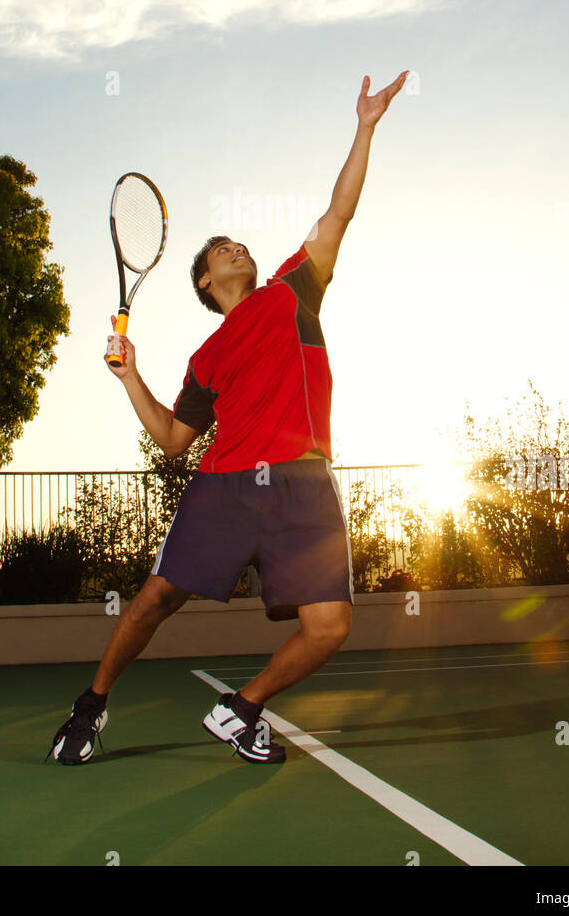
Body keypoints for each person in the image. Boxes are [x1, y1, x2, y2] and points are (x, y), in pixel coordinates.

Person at [46, 72, 408, 766]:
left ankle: (241, 708)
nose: (236, 248)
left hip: (304, 481)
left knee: (330, 629)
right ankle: (90, 708)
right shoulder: (205, 357)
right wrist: (131, 376)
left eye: (237, 243)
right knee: (154, 600)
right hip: (224, 485)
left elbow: (338, 214)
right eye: (221, 251)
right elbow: (173, 440)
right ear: (207, 285)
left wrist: (364, 127)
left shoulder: (293, 291)